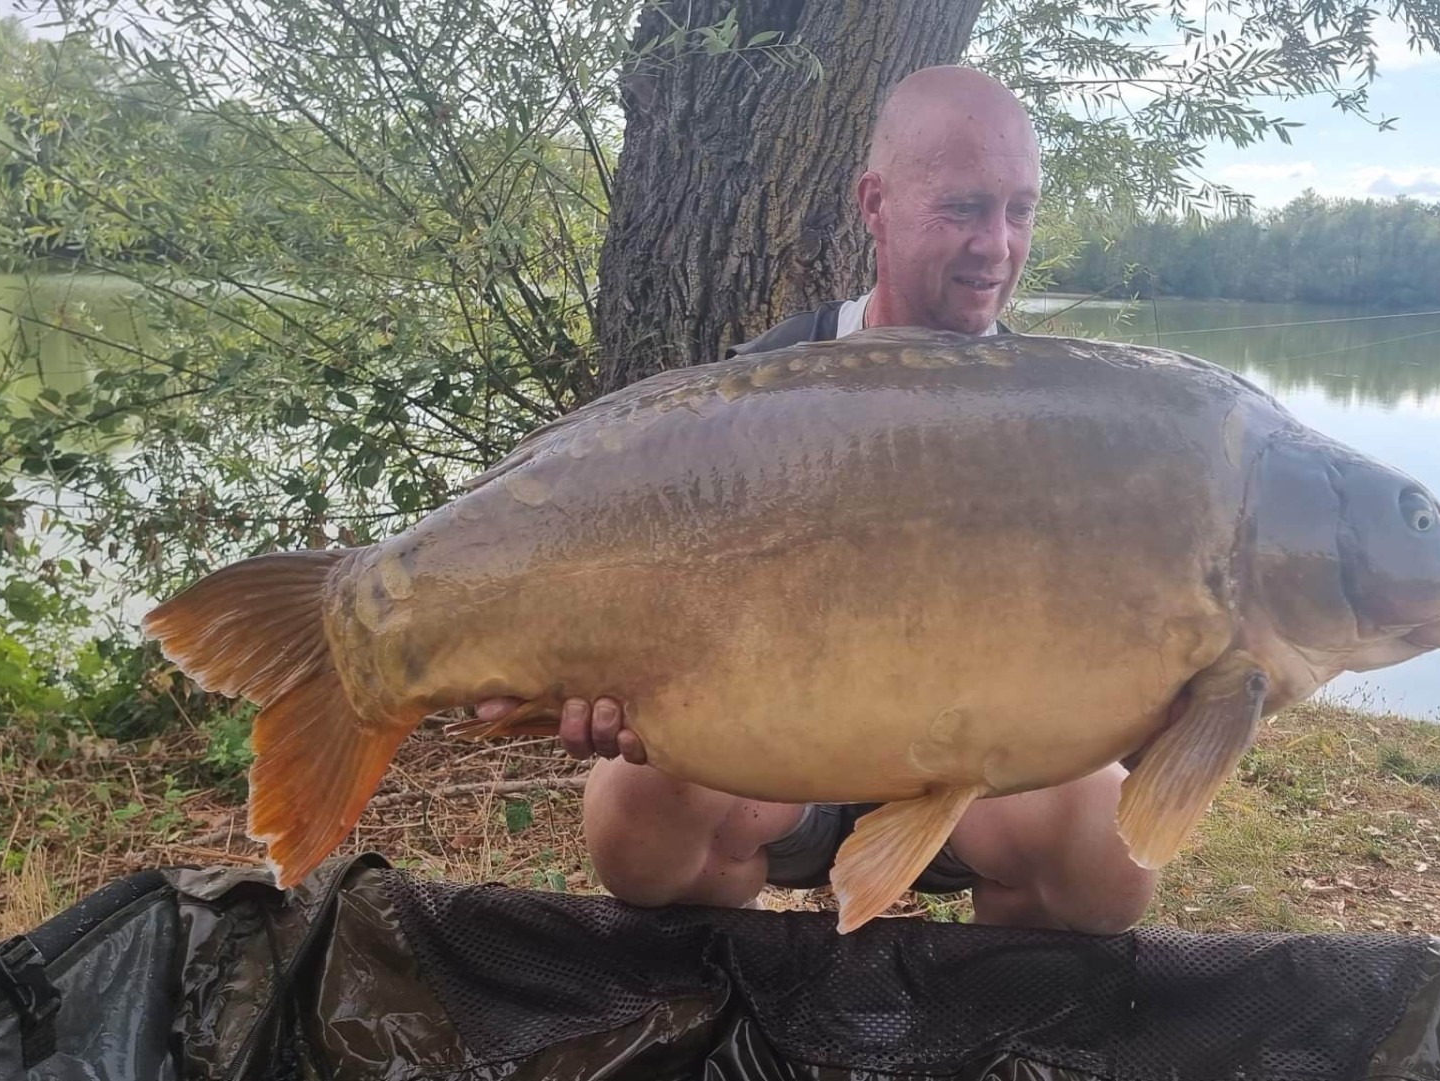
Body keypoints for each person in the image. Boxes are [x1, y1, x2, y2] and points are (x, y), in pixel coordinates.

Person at [473, 65, 1160, 935]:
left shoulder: (1063, 422)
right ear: (874, 203)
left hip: (979, 780)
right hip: (776, 769)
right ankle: (737, 996)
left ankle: (984, 1036)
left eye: (1017, 210)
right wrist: (587, 678)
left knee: (1107, 856)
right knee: (634, 824)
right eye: (963, 208)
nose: (996, 245)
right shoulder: (761, 399)